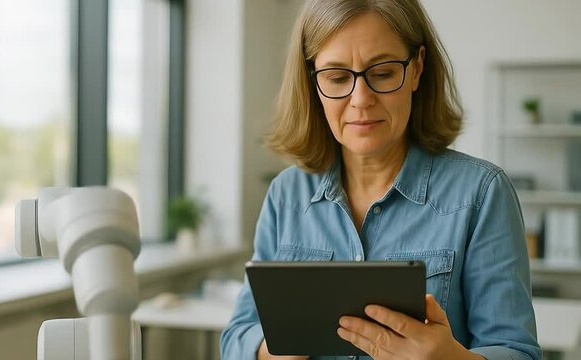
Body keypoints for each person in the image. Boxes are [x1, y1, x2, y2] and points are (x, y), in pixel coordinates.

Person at [221, 0, 542, 359]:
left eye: (384, 72)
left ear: (417, 68)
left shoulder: (481, 193)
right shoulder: (286, 195)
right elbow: (236, 338)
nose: (361, 99)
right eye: (338, 77)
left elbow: (518, 351)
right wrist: (273, 351)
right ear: (312, 81)